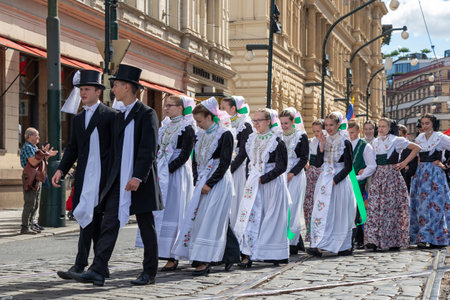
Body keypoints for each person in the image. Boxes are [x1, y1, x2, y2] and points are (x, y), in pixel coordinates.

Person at [70, 64, 162, 286]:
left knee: (146, 227)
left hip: (140, 182)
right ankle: (98, 270)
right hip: (117, 181)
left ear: (128, 88)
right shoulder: (119, 116)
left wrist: (138, 177)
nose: (113, 89)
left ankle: (149, 272)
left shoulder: (147, 114)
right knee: (109, 224)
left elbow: (148, 149)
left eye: (117, 85)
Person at [51, 70, 117, 280]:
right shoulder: (78, 119)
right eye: (81, 89)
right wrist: (60, 169)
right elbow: (72, 148)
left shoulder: (110, 115)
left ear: (98, 91)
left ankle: (91, 266)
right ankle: (88, 266)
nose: (83, 93)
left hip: (103, 179)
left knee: (95, 221)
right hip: (84, 178)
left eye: (87, 89)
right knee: (86, 220)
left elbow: (116, 150)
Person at [172, 97, 236, 276]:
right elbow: (195, 159)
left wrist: (210, 182)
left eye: (200, 121)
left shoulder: (225, 134)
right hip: (202, 179)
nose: (198, 125)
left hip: (218, 181)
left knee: (211, 219)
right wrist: (196, 179)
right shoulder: (200, 135)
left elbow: (224, 163)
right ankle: (224, 254)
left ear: (209, 117)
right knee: (199, 219)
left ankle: (206, 259)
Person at [234, 108, 290, 267]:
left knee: (269, 218)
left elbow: (281, 166)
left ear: (268, 121)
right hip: (253, 183)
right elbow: (249, 162)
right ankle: (247, 252)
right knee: (249, 216)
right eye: (254, 120)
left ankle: (270, 253)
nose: (256, 123)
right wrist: (249, 180)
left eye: (259, 120)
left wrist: (263, 179)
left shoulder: (277, 141)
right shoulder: (251, 139)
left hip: (271, 185)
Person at [151, 95, 196, 272]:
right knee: (160, 210)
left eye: (170, 105)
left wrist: (169, 169)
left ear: (180, 108)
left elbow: (185, 153)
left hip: (176, 173)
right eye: (166, 105)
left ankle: (173, 254)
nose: (166, 108)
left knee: (175, 210)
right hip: (162, 170)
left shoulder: (187, 127)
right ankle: (159, 250)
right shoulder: (165, 126)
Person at [364, 118, 420, 251]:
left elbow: (417, 148)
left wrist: (404, 163)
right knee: (375, 207)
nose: (381, 129)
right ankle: (374, 239)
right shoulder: (375, 142)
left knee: (391, 208)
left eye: (384, 126)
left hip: (392, 176)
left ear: (390, 128)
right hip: (378, 176)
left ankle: (393, 239)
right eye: (380, 126)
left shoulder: (396, 140)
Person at [307, 112, 356, 257]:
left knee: (339, 212)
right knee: (322, 211)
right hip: (324, 179)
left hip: (338, 181)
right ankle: (319, 244)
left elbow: (348, 166)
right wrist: (321, 147)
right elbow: (317, 163)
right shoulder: (322, 140)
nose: (328, 128)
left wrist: (335, 180)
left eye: (331, 125)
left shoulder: (345, 142)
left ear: (338, 125)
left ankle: (343, 245)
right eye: (326, 125)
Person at [410, 113, 450, 249]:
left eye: (427, 123)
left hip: (435, 174)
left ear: (433, 124)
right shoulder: (419, 138)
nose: (425, 126)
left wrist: (446, 165)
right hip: (421, 175)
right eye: (423, 123)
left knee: (435, 206)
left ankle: (436, 237)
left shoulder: (440, 138)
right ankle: (422, 236)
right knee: (421, 206)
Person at [220, 96, 253, 230]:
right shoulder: (223, 123)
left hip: (237, 168)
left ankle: (236, 231)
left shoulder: (244, 125)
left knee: (236, 200)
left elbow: (244, 151)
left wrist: (231, 167)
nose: (220, 110)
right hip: (224, 166)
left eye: (223, 108)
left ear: (233, 109)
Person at [279, 107, 308, 254]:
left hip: (295, 175)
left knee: (293, 208)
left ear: (292, 122)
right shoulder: (279, 136)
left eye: (286, 123)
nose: (284, 126)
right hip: (281, 174)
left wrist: (292, 173)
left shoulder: (301, 136)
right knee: (281, 208)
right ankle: (282, 239)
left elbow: (304, 158)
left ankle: (293, 242)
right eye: (282, 123)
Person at [19, 128, 57, 234]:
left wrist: (45, 154)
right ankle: (24, 227)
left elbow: (41, 162)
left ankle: (31, 224)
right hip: (30, 177)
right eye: (36, 135)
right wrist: (45, 154)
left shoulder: (34, 147)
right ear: (29, 136)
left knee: (35, 203)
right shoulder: (27, 147)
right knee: (30, 202)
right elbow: (33, 162)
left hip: (37, 177)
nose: (38, 137)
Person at [347, 120, 377, 249]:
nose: (350, 135)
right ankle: (348, 238)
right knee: (347, 209)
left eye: (352, 133)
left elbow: (372, 165)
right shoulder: (344, 143)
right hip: (344, 181)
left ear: (358, 131)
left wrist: (360, 177)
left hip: (358, 182)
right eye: (348, 132)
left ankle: (358, 239)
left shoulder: (365, 146)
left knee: (358, 211)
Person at [304, 119, 325, 245]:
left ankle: (320, 235)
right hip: (311, 175)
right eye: (314, 131)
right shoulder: (310, 142)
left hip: (322, 174)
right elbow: (305, 157)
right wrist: (307, 164)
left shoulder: (327, 142)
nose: (316, 133)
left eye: (318, 131)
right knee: (308, 205)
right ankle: (310, 234)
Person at [398, 124, 418, 191]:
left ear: (405, 135)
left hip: (405, 182)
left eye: (400, 136)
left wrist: (406, 169)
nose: (398, 138)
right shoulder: (391, 147)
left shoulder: (410, 149)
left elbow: (413, 168)